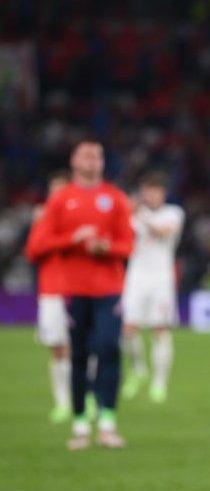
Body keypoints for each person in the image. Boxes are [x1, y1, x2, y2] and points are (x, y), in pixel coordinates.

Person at [29, 140, 134, 450]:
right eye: (86, 155)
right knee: (78, 354)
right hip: (73, 290)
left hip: (109, 289)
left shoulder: (114, 198)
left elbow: (128, 245)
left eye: (98, 155)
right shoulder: (61, 200)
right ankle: (79, 424)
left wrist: (106, 247)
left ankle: (107, 421)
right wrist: (71, 239)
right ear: (74, 161)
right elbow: (36, 247)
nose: (92, 160)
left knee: (108, 349)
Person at [121, 173, 184, 403]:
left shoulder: (174, 213)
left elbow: (163, 231)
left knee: (160, 329)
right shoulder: (132, 217)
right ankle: (138, 370)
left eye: (156, 191)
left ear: (163, 193)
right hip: (136, 277)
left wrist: (138, 211)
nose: (152, 195)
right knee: (128, 329)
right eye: (148, 191)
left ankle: (159, 382)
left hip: (161, 279)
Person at [24, 171, 72, 423]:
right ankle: (62, 402)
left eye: (61, 190)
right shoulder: (42, 219)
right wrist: (63, 240)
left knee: (81, 347)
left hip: (79, 289)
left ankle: (84, 398)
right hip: (51, 290)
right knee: (58, 348)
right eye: (53, 190)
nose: (56, 195)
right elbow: (32, 251)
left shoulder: (80, 217)